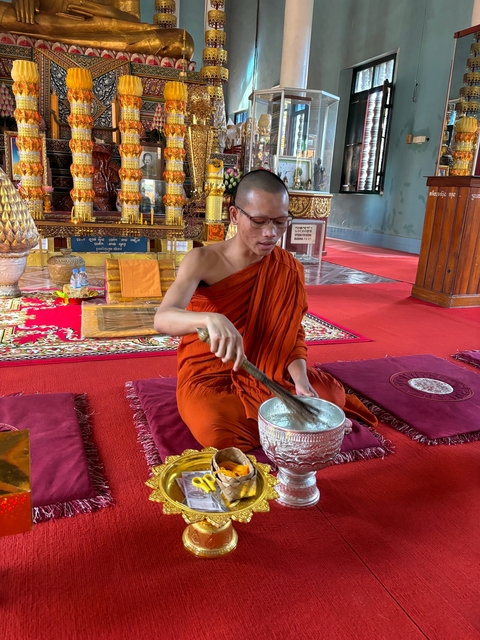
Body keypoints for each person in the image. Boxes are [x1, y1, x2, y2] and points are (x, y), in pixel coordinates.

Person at [154, 169, 376, 450]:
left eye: (280, 222)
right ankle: (289, 428)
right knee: (214, 427)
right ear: (235, 215)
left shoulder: (288, 267)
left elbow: (291, 334)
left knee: (329, 395)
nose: (271, 233)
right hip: (213, 375)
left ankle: (279, 422)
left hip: (270, 370)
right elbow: (163, 318)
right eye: (258, 222)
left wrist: (301, 382)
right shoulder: (203, 260)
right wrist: (209, 318)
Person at [2, 0, 194, 58]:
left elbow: (133, 21)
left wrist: (107, 12)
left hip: (104, 29)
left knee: (182, 41)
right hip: (47, 22)